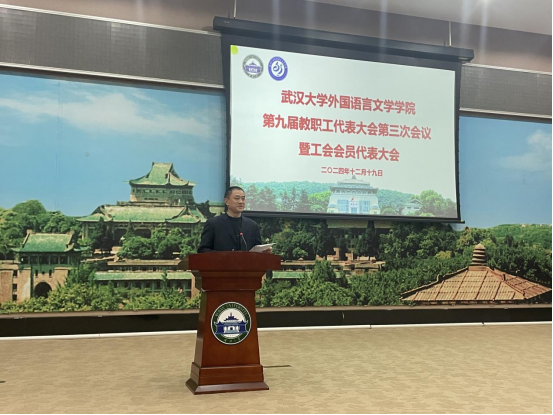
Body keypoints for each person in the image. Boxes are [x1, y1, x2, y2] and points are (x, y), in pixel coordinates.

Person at [197, 186, 272, 253]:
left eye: (243, 199)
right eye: (237, 198)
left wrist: (264, 252)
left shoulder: (252, 226)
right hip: (222, 264)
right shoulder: (213, 224)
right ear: (227, 201)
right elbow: (203, 250)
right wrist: (225, 256)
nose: (241, 202)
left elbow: (258, 250)